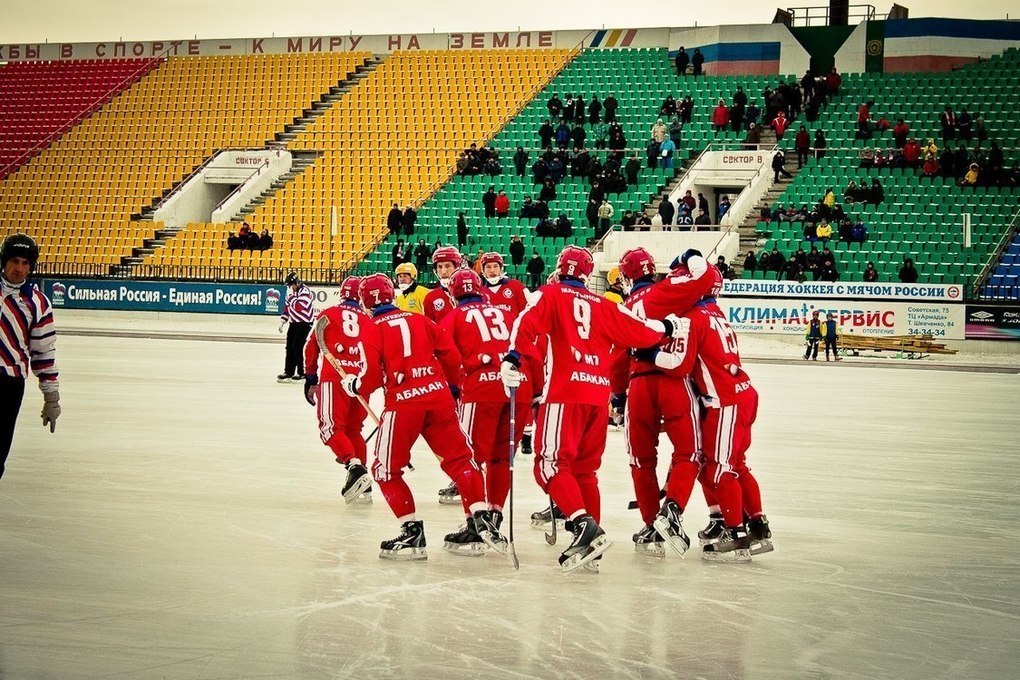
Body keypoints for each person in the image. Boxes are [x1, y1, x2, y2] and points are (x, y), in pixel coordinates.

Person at [501, 246, 684, 572]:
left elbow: (525, 322)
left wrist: (513, 357)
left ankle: (583, 525)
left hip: (564, 393)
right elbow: (641, 330)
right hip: (596, 398)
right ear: (587, 274)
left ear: (560, 269)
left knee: (549, 466)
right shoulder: (603, 304)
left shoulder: (551, 294)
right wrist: (667, 328)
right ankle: (592, 546)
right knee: (585, 471)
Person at [349, 274, 508, 561]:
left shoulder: (371, 329)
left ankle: (412, 533)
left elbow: (370, 376)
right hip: (439, 399)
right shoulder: (421, 320)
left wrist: (354, 385)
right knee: (462, 461)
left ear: (365, 302)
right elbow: (450, 356)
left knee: (386, 471)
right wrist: (450, 387)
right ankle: (480, 513)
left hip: (403, 405)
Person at [632, 253, 770, 561]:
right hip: (744, 394)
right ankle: (758, 523)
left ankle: (734, 533)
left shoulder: (694, 318)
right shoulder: (718, 315)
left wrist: (647, 357)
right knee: (737, 464)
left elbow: (679, 365)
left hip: (724, 402)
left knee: (719, 469)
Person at [611, 249, 720, 555]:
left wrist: (618, 397)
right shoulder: (664, 292)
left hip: (638, 386)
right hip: (674, 380)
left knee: (641, 461)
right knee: (689, 452)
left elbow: (617, 358)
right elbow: (709, 279)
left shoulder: (626, 306)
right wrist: (693, 257)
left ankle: (650, 527)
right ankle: (672, 511)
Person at [302, 276, 376, 504]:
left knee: (330, 427)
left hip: (334, 379)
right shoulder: (369, 320)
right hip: (361, 382)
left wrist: (311, 377)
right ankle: (364, 487)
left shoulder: (328, 314)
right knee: (354, 429)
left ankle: (354, 468)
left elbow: (311, 346)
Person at [0, 235, 60, 480]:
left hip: (9, 387)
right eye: (14, 261)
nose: (19, 268)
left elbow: (44, 352)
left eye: (26, 263)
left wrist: (51, 397)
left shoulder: (37, 303)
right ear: (3, 262)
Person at [278, 272, 314, 382]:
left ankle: (302, 372)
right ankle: (288, 371)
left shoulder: (306, 291)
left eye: (291, 285)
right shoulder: (291, 293)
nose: (290, 287)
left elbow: (299, 307)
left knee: (298, 347)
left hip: (305, 323)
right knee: (289, 346)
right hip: (294, 322)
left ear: (296, 283)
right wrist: (283, 320)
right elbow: (287, 307)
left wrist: (290, 298)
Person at [480, 251, 529, 317]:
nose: (492, 270)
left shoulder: (516, 286)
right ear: (483, 270)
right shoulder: (480, 293)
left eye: (495, 266)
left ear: (501, 268)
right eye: (488, 267)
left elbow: (528, 312)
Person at [423, 246, 463, 324]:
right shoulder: (430, 298)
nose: (443, 272)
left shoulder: (471, 294)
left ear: (457, 266)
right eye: (440, 267)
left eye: (447, 266)